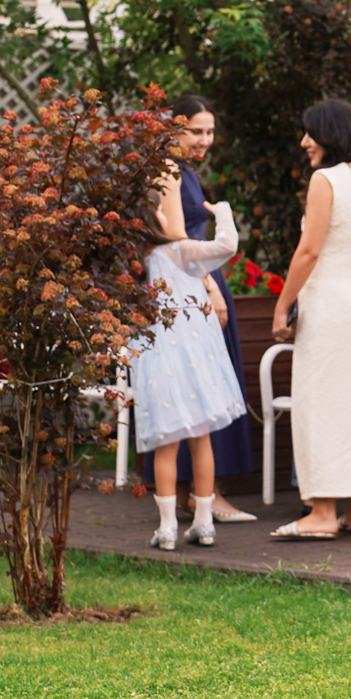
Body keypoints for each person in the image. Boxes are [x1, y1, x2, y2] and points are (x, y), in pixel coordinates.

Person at [269, 99, 351, 540]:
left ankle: (322, 513)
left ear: (331, 135)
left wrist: (283, 304)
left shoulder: (324, 180)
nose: (304, 142)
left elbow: (309, 251)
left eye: (311, 133)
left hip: (329, 308)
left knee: (322, 404)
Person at [139, 94, 257, 521]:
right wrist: (209, 285)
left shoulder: (185, 169)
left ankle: (201, 496)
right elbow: (175, 236)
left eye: (210, 132)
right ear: (173, 127)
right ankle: (205, 499)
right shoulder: (167, 170)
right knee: (198, 388)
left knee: (202, 389)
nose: (205, 139)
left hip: (196, 277)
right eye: (195, 131)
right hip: (189, 283)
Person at [130, 171, 247, 550]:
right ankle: (204, 522)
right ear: (156, 218)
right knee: (201, 439)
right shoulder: (180, 252)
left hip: (156, 366)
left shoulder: (135, 267)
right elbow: (226, 245)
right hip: (197, 363)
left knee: (165, 444)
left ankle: (166, 528)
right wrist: (222, 212)